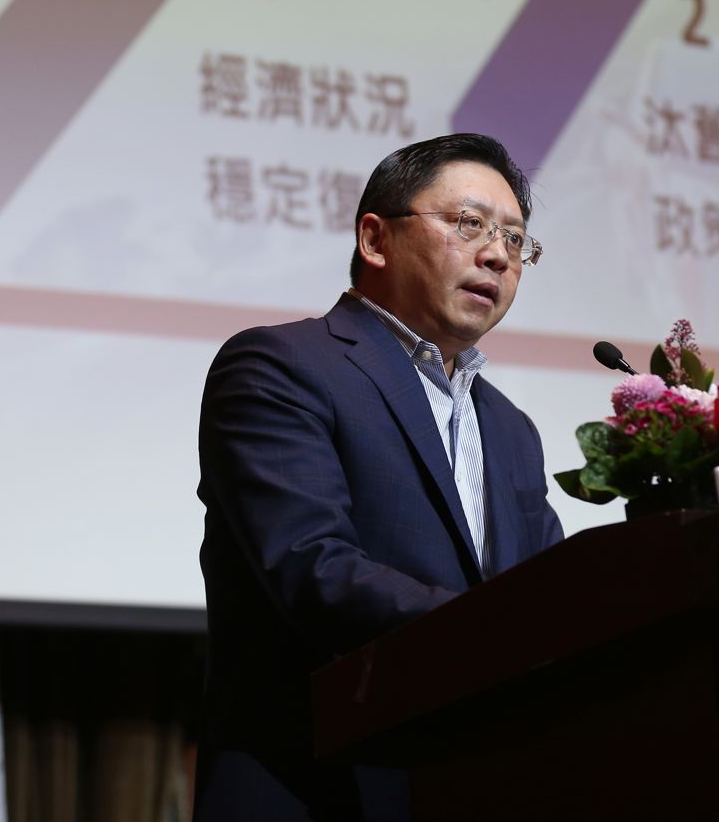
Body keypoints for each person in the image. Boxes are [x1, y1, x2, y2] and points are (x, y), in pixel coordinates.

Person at [194, 133, 565, 821]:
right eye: (470, 224)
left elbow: (546, 594)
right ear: (375, 238)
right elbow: (312, 566)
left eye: (516, 241)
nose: (497, 255)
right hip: (320, 785)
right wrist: (502, 634)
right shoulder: (280, 367)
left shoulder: (510, 429)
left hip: (478, 786)